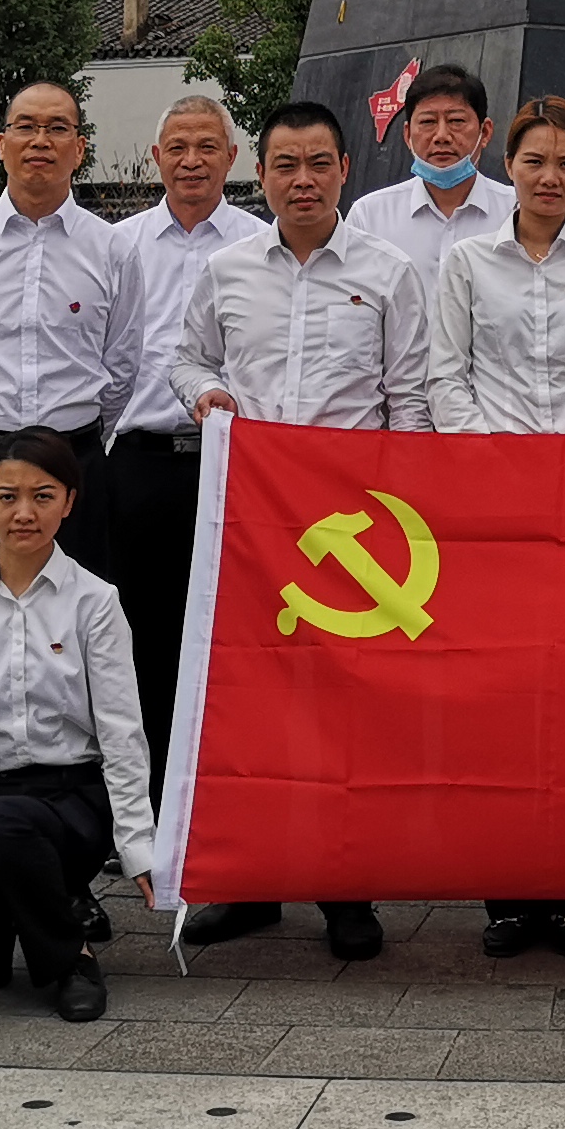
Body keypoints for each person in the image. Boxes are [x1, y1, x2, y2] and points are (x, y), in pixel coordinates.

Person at [172, 98, 430, 962]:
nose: (303, 180)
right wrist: (205, 394)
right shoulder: (228, 269)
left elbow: (410, 400)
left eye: (319, 163)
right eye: (286, 165)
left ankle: (345, 887)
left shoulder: (390, 272)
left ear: (345, 170)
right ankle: (250, 884)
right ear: (262, 174)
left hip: (350, 531)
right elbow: (188, 358)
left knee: (343, 712)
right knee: (250, 702)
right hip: (253, 521)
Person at [430, 93, 565, 959]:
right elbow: (446, 379)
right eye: (534, 161)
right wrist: (497, 468)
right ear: (507, 166)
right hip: (495, 509)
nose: (549, 177)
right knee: (500, 701)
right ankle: (508, 898)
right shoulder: (466, 262)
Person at [0, 427, 159, 1022]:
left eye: (43, 496)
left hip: (70, 798)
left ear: (69, 502)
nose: (24, 513)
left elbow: (122, 730)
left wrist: (137, 843)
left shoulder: (96, 601)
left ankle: (71, 959)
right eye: (7, 496)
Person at [104, 94, 261, 790]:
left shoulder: (260, 243)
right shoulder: (121, 244)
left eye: (207, 148)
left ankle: (221, 786)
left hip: (235, 467)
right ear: (156, 158)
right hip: (140, 464)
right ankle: (146, 796)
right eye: (178, 148)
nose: (192, 161)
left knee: (231, 633)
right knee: (140, 633)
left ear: (233, 158)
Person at [0, 81, 128, 593]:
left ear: (79, 148)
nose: (40, 141)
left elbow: (122, 365)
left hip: (72, 464)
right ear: (1, 145)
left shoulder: (112, 250)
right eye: (26, 128)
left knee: (76, 617)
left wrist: (74, 439)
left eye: (57, 128)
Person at [342, 62, 506, 294]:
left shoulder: (516, 213)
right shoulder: (369, 217)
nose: (441, 136)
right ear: (407, 135)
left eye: (456, 121)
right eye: (428, 122)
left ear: (485, 132)